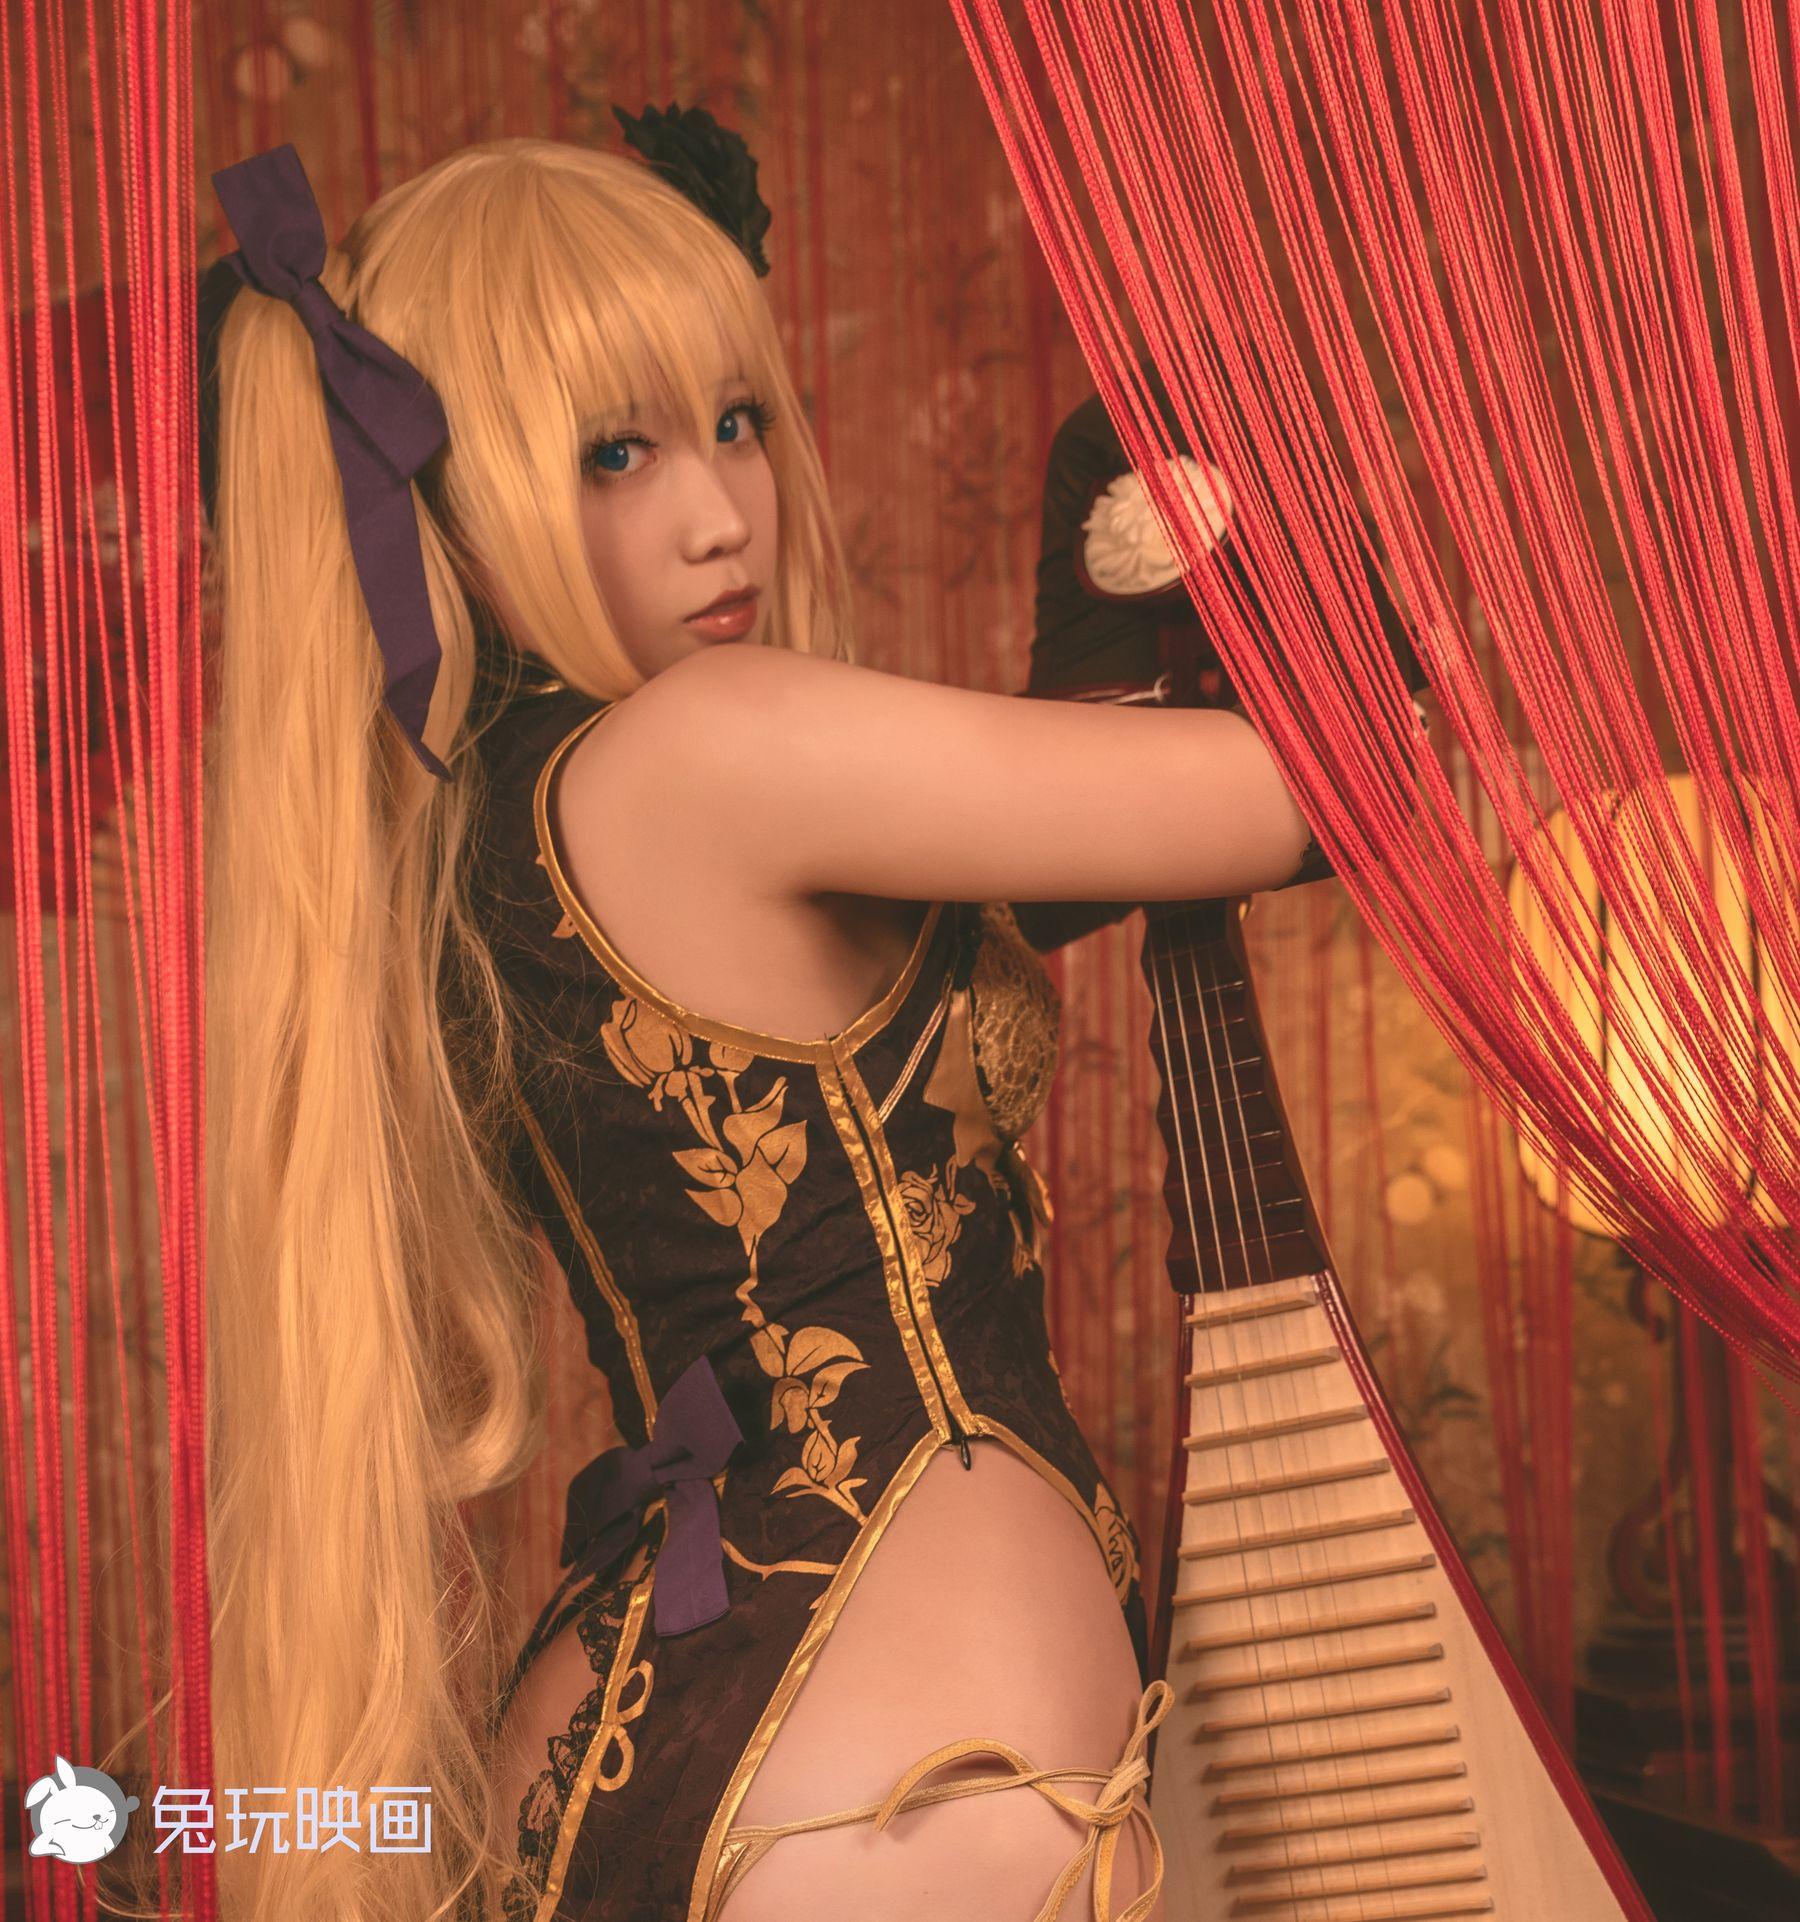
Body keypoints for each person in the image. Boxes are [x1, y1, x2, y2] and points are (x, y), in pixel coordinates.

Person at [199, 128, 1313, 1922]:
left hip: (668, 1719)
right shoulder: (712, 747)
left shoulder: (475, 826)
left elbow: (1035, 878)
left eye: (736, 420)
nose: (720, 511)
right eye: (615, 453)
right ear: (449, 497)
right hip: (898, 1765)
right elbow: (1300, 793)